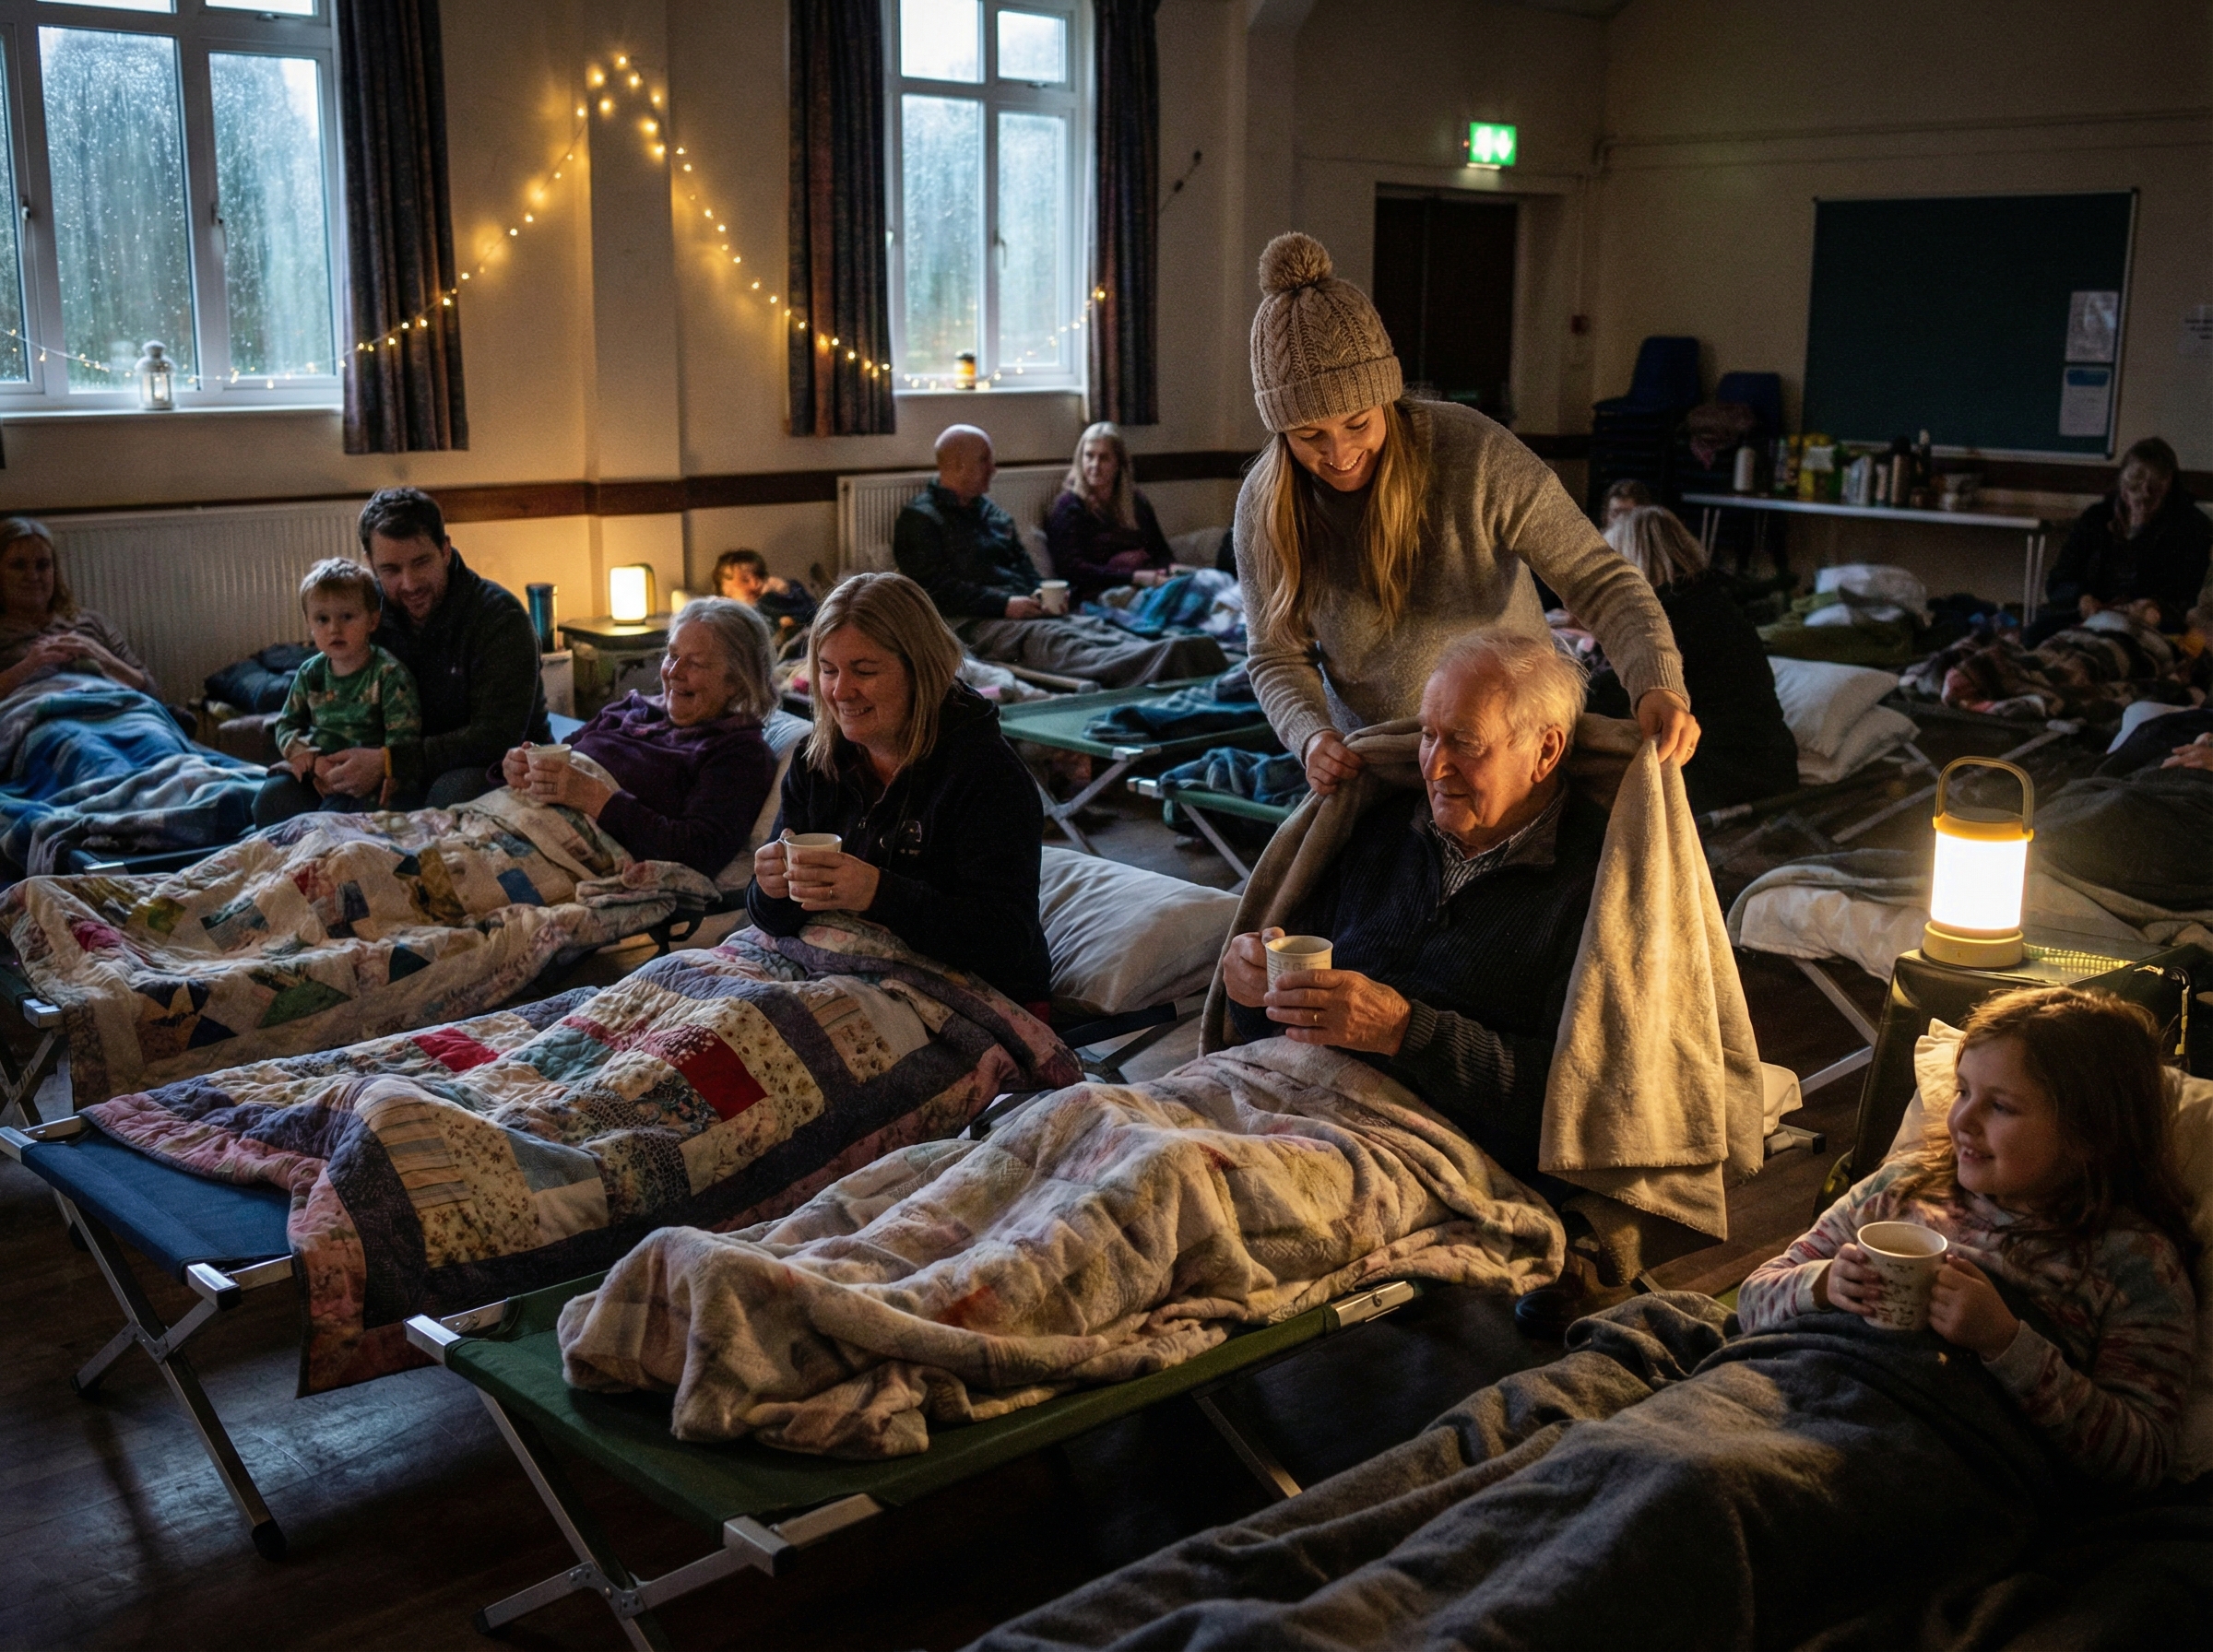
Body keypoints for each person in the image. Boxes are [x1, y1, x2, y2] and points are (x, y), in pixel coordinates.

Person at [1235, 232, 1696, 799]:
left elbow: (1599, 578)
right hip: (1380, 768)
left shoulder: (1472, 454)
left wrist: (1655, 682)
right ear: (1282, 433)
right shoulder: (1265, 503)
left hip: (1511, 762)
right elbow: (1276, 654)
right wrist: (1310, 737)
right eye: (1310, 436)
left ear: (1388, 399)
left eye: (1359, 424)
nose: (1339, 453)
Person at [1742, 985, 2196, 1486]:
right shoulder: (1899, 1189)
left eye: (2000, 1106)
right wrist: (1823, 1284)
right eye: (1962, 1092)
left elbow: (2142, 1461)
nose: (1962, 1120)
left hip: (1921, 1456)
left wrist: (2005, 1342)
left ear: (2091, 1132)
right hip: (1795, 1391)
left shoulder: (2133, 1261)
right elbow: (1752, 1300)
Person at [1220, 631, 1601, 1193]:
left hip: (1421, 1151)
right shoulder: (1383, 827)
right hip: (1282, 1095)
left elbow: (1579, 1100)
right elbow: (1280, 1020)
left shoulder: (1597, 880)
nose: (1434, 767)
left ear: (1545, 751)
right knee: (1085, 1121)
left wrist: (1404, 1031)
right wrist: (1251, 989)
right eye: (1428, 735)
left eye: (1465, 743)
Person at [747, 571, 1051, 1007]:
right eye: (828, 670)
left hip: (974, 995)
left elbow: (1005, 941)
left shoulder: (986, 776)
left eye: (864, 671)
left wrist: (878, 893)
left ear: (922, 671)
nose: (840, 691)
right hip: (835, 970)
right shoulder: (819, 761)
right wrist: (770, 888)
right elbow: (772, 919)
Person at [893, 425, 1226, 689]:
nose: (994, 469)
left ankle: (1181, 650)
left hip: (1027, 610)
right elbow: (934, 589)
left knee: (1092, 626)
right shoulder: (922, 519)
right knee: (1061, 642)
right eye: (985, 460)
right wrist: (1005, 605)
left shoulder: (991, 514)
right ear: (957, 464)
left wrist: (1042, 592)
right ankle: (1164, 661)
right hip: (980, 623)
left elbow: (1024, 566)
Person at [309, 488, 550, 812]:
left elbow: (495, 737)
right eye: (391, 570)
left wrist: (390, 763)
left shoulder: (499, 618)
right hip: (389, 767)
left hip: (490, 766)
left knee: (450, 792)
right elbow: (324, 687)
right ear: (370, 564)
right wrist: (316, 759)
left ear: (445, 550)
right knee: (277, 797)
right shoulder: (365, 614)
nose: (409, 584)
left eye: (421, 563)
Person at [499, 597, 777, 879]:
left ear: (736, 682)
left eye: (695, 663)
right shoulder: (630, 710)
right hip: (506, 819)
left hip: (549, 857)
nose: (673, 672)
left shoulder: (737, 752)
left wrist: (597, 799)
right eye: (672, 654)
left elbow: (698, 850)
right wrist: (520, 766)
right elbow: (561, 752)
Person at [1584, 506, 1797, 814]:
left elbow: (1602, 699)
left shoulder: (1668, 622)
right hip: (1769, 766)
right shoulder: (1712, 603)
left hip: (1730, 773)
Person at [255, 559, 423, 826]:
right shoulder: (310, 674)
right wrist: (307, 757)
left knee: (350, 820)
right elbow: (286, 724)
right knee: (268, 800)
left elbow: (404, 737)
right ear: (310, 624)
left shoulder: (388, 673)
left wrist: (388, 773)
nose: (334, 628)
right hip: (321, 772)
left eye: (347, 617)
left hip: (373, 779)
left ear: (372, 620)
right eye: (322, 619)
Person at [2029, 435, 2211, 644]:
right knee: (2034, 637)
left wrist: (2156, 609)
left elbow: (2192, 599)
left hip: (2147, 624)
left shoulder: (2190, 527)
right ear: (2122, 487)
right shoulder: (2096, 518)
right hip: (2086, 615)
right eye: (2133, 489)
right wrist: (2082, 598)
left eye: (2152, 493)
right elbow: (2058, 580)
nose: (2140, 500)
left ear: (2167, 488)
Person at [0, 517, 158, 699]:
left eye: (43, 565)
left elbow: (152, 691)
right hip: (39, 719)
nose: (33, 576)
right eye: (18, 566)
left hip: (113, 714)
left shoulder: (91, 622)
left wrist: (103, 658)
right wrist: (27, 667)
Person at [1045, 420, 1176, 603]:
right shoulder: (1069, 507)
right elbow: (1072, 569)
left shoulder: (1136, 501)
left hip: (1150, 581)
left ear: (1118, 463)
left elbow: (1161, 550)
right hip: (1104, 591)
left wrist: (1171, 571)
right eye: (1089, 456)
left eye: (1104, 458)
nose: (1095, 465)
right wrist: (1134, 577)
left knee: (1209, 582)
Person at [713, 548, 818, 632]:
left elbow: (812, 612)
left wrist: (786, 592)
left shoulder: (773, 598)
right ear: (725, 590)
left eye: (760, 575)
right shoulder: (730, 616)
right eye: (745, 580)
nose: (755, 584)